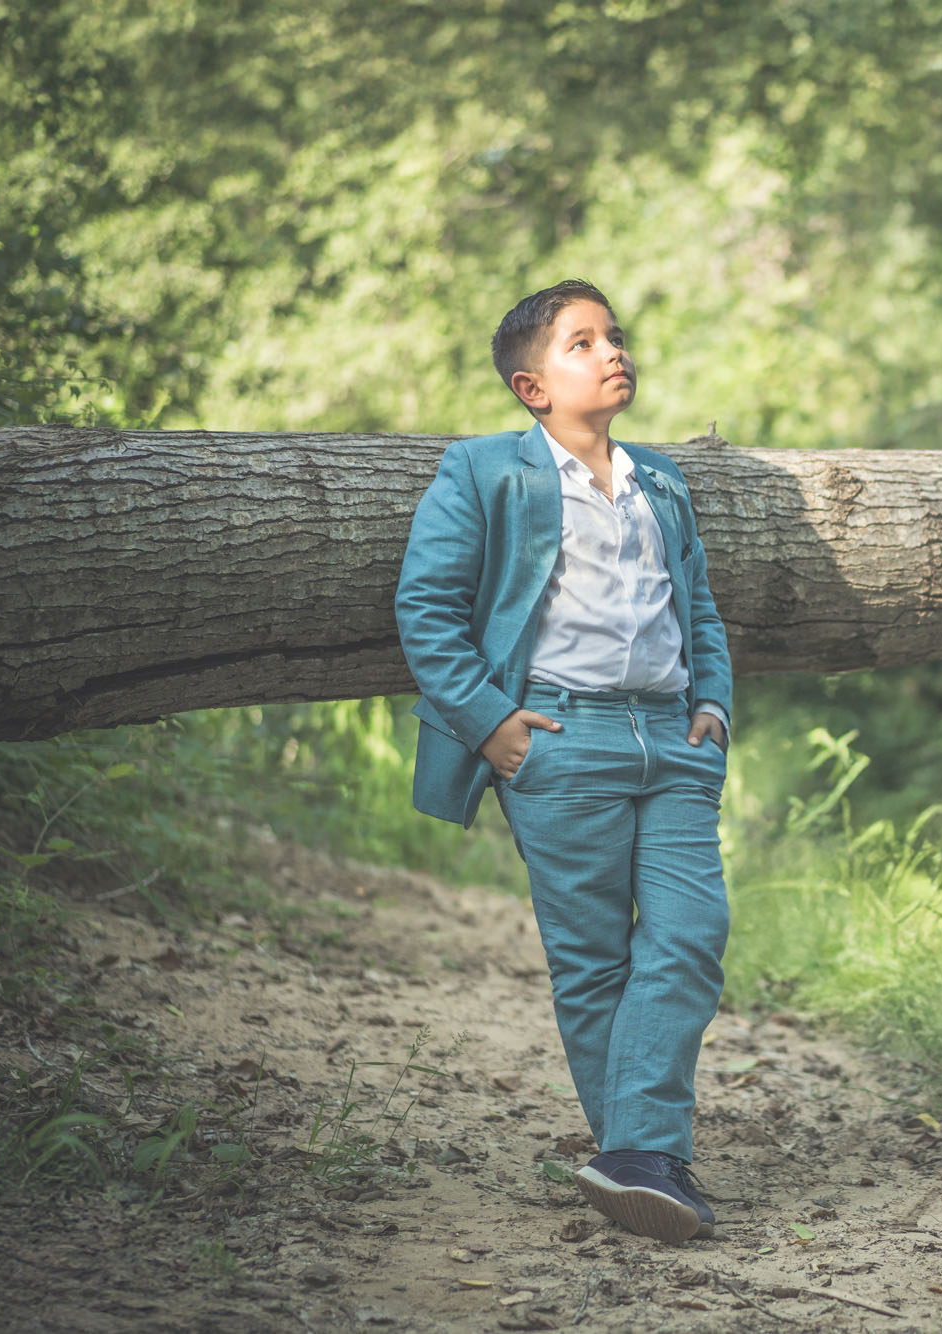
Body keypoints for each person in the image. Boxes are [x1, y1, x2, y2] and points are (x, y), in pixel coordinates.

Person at [394, 279, 733, 1244]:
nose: (611, 351)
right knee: (592, 961)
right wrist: (488, 720)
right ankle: (645, 1157)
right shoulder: (484, 471)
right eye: (582, 342)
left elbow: (694, 605)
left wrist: (712, 705)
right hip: (558, 740)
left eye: (613, 336)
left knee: (690, 933)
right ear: (531, 386)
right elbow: (428, 607)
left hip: (672, 738)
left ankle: (632, 1154)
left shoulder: (660, 479)